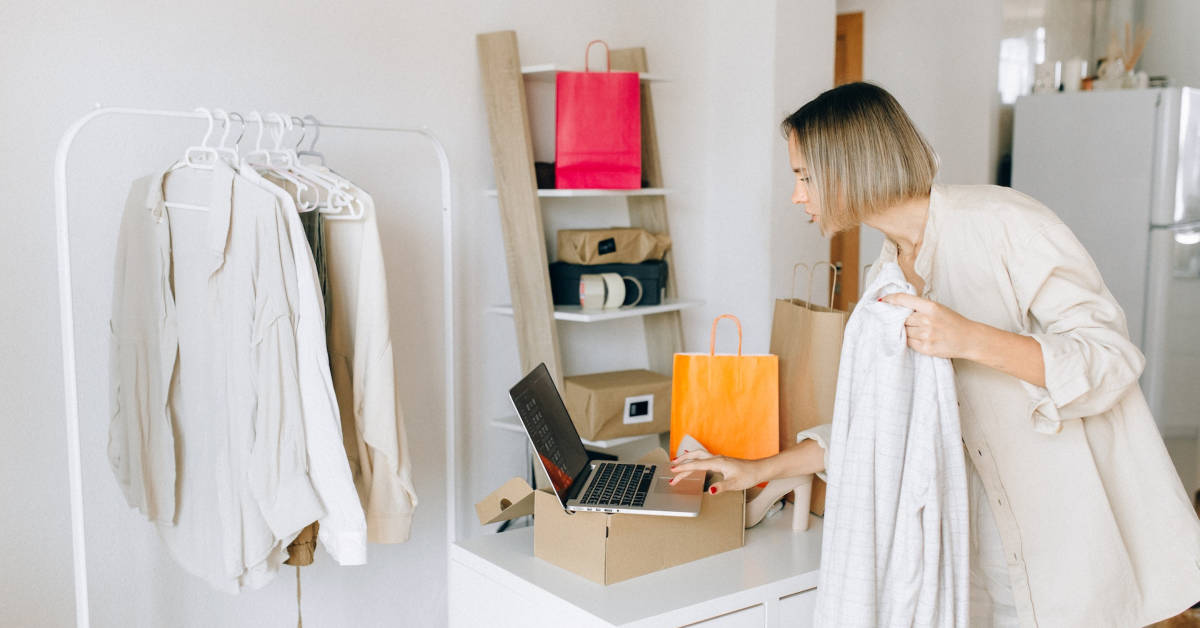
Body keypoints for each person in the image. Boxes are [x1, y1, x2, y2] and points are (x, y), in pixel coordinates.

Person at [669, 82, 1200, 628]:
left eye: (805, 176)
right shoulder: (886, 276)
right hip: (977, 536)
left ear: (848, 167)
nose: (797, 195)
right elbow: (875, 428)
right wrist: (756, 470)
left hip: (1067, 527)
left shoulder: (1005, 223)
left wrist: (968, 338)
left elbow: (1110, 357)